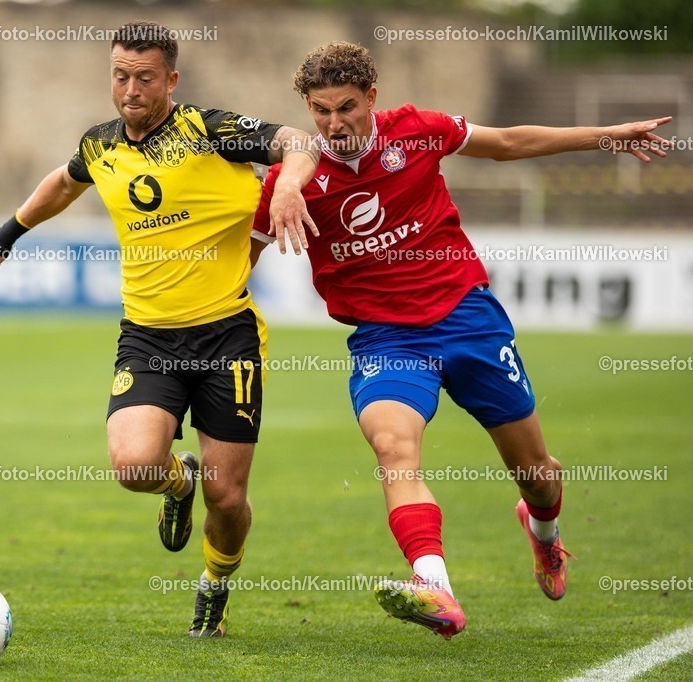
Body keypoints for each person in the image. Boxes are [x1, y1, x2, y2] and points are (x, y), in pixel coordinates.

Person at [251, 41, 672, 639]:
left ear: (372, 98)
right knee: (394, 450)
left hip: (466, 318)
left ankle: (543, 529)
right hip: (386, 340)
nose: (333, 123)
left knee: (536, 473)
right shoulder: (289, 184)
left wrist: (606, 136)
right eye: (320, 111)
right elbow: (238, 261)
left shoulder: (417, 131)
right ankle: (435, 589)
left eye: (346, 107)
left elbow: (506, 144)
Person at [0, 20, 320, 638]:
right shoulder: (101, 145)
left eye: (144, 77)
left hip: (228, 335)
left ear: (171, 79)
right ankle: (177, 479)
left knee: (229, 500)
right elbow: (63, 182)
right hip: (149, 336)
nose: (131, 89)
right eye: (120, 75)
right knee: (135, 465)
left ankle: (214, 588)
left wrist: (290, 184)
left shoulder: (205, 130)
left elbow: (298, 140)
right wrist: (10, 230)